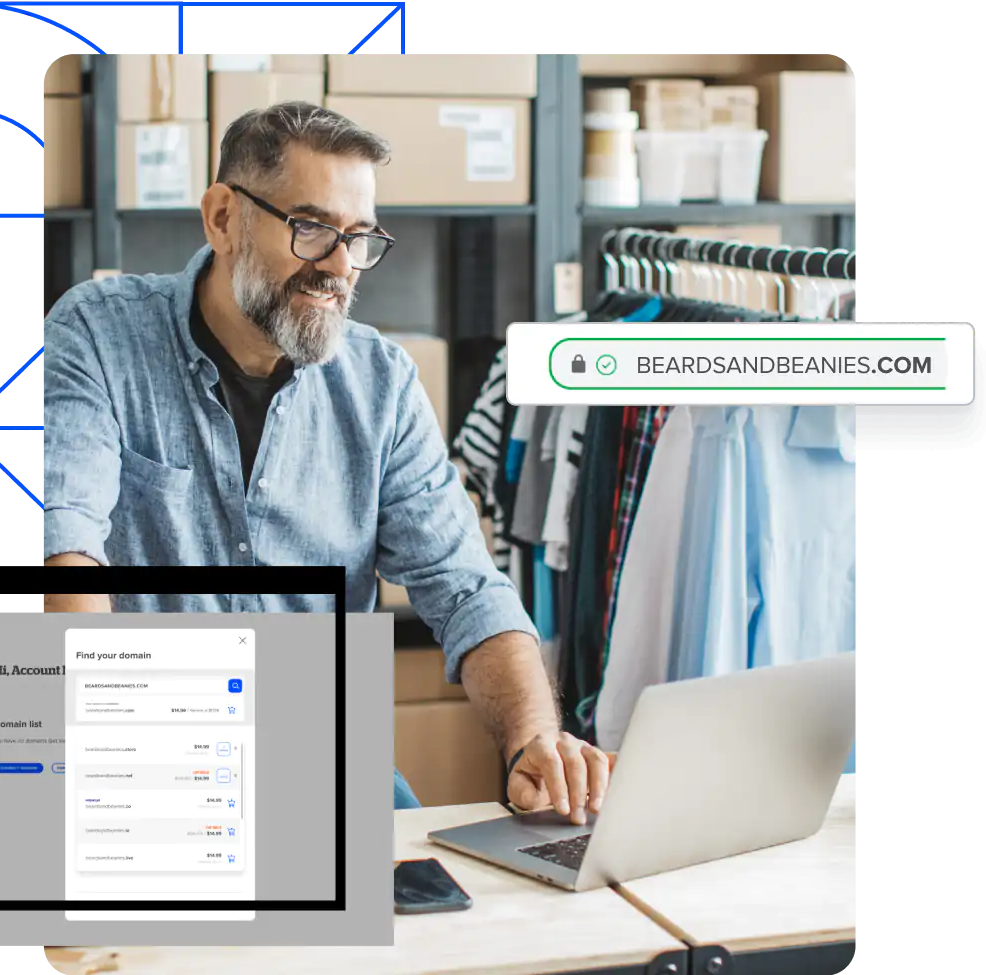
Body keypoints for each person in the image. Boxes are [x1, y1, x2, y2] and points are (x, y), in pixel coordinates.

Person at [41, 101, 610, 823]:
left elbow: (465, 588)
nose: (340, 266)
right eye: (311, 230)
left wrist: (534, 739)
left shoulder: (382, 383)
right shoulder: (98, 333)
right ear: (222, 218)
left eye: (361, 237)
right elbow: (68, 551)